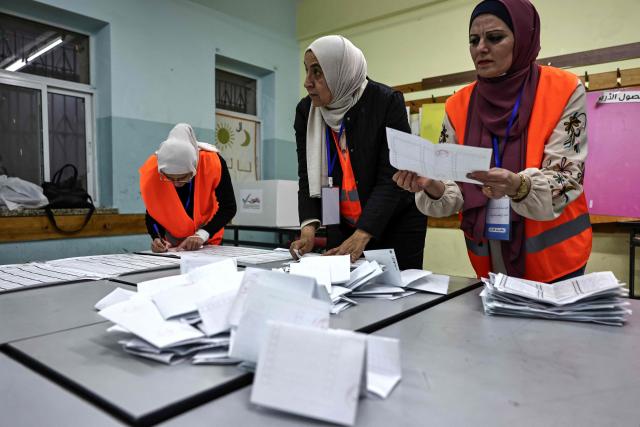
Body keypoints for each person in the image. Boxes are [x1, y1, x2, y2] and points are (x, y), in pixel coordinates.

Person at [393, 0, 592, 282]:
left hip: (556, 261)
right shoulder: (458, 104)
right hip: (488, 258)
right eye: (474, 40)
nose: (481, 48)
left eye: (495, 38)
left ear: (523, 37)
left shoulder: (563, 89)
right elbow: (453, 187)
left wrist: (518, 186)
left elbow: (567, 177)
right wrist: (433, 187)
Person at [289, 35, 427, 268]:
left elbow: (391, 178)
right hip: (340, 221)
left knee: (397, 296)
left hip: (394, 222)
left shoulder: (385, 102)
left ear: (340, 72)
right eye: (306, 71)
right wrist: (308, 228)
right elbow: (307, 174)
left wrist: (363, 233)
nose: (307, 82)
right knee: (343, 292)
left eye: (317, 72)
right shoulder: (307, 111)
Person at [139, 123, 236, 252]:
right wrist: (157, 238)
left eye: (183, 177)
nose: (176, 183)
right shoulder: (153, 171)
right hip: (172, 246)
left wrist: (202, 234)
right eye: (170, 178)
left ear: (194, 167)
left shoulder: (212, 163)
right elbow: (153, 213)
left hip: (207, 237)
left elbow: (228, 207)